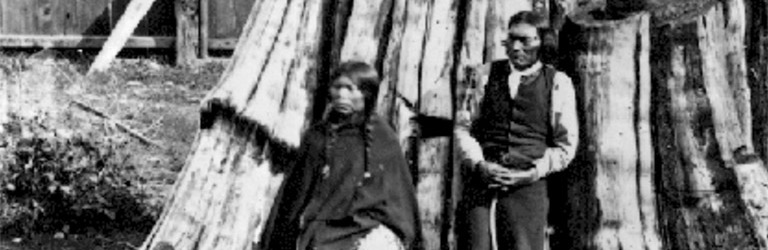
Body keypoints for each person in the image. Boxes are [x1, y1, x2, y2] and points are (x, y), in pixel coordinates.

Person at [261, 61, 420, 250]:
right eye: (338, 87)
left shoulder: (382, 137)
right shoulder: (317, 137)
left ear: (366, 94)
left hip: (370, 227)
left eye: (351, 89)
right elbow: (294, 198)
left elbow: (399, 200)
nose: (342, 96)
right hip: (324, 229)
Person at [455, 11, 579, 250]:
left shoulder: (557, 83)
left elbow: (566, 146)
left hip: (528, 188)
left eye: (525, 40)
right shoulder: (484, 75)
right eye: (511, 39)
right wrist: (480, 165)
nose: (515, 47)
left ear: (542, 41)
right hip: (482, 184)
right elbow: (464, 128)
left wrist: (532, 173)